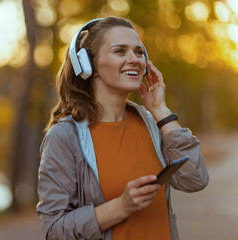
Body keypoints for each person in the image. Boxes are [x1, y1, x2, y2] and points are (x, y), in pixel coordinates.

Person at [36, 16, 209, 240]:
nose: (134, 59)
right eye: (120, 51)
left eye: (138, 52)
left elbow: (195, 179)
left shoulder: (151, 122)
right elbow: (55, 229)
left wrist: (161, 112)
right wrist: (122, 207)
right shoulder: (64, 137)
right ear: (88, 64)